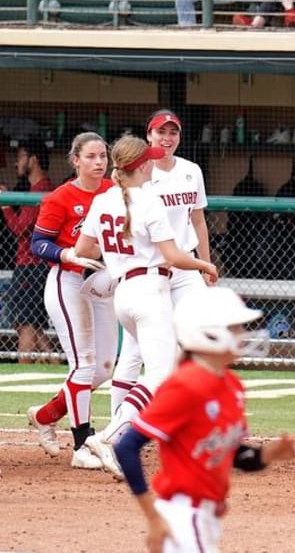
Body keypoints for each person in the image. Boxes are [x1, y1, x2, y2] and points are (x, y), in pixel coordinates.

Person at [74, 136, 218, 478]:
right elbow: (173, 256)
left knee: (136, 360)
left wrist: (117, 248)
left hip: (124, 291)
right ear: (141, 166)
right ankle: (109, 436)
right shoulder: (149, 200)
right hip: (150, 289)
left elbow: (83, 248)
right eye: (149, 159)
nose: (153, 162)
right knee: (161, 375)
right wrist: (204, 265)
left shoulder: (104, 199)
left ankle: (118, 434)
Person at [114, 287, 295, 552]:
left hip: (207, 518)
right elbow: (126, 447)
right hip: (182, 517)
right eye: (234, 328)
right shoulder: (184, 384)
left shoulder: (232, 385)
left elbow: (233, 455)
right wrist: (153, 518)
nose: (243, 334)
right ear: (209, 333)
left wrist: (270, 454)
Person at [109, 110, 213, 425]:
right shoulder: (140, 174)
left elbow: (198, 220)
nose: (167, 139)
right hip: (149, 269)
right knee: (133, 352)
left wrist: (205, 263)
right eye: (161, 132)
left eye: (173, 132)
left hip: (184, 267)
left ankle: (190, 412)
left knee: (202, 333)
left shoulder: (190, 170)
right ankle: (118, 421)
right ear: (149, 135)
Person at [25, 132, 118, 471]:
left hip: (103, 282)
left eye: (103, 156)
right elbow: (39, 244)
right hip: (69, 282)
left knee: (104, 367)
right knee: (84, 364)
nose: (98, 162)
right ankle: (81, 445)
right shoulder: (61, 197)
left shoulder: (114, 191)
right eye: (91, 156)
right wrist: (67, 254)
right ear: (75, 160)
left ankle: (46, 415)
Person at [1, 138, 54, 361]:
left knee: (25, 321)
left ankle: (25, 364)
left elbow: (20, 227)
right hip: (29, 265)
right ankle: (55, 359)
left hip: (32, 265)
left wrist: (4, 206)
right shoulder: (35, 188)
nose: (16, 163)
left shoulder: (42, 189)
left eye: (21, 157)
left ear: (33, 159)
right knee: (31, 321)